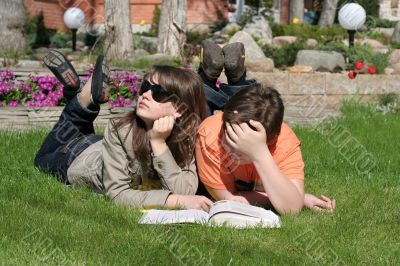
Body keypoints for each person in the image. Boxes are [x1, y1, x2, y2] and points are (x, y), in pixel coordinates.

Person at [34, 50, 213, 211]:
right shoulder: (120, 130)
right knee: (41, 161)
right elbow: (118, 194)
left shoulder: (188, 136)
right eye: (146, 87)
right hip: (77, 155)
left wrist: (159, 145)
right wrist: (174, 201)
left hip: (102, 146)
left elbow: (185, 191)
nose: (146, 95)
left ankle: (78, 94)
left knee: (78, 126)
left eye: (159, 93)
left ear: (179, 110)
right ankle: (79, 95)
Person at [196, 40, 336, 214]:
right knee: (201, 103)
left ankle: (232, 78)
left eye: (241, 146)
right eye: (230, 137)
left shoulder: (284, 141)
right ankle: (213, 77)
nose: (231, 149)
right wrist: (299, 197)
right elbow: (230, 199)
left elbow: (291, 209)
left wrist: (260, 154)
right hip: (214, 123)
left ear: (270, 141)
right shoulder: (211, 134)